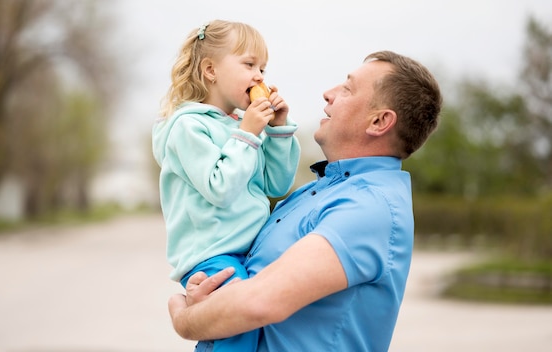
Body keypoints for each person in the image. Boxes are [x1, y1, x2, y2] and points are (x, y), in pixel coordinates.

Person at [168, 50, 443, 352]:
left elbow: (260, 302)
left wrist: (185, 316)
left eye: (347, 89)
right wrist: (209, 294)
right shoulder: (316, 192)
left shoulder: (369, 207)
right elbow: (243, 284)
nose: (328, 94)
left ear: (379, 121)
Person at [152, 20, 301, 352]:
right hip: (213, 253)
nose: (260, 75)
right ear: (210, 70)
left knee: (247, 331)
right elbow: (219, 188)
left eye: (262, 67)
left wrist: (277, 132)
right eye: (249, 64)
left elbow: (276, 184)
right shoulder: (188, 128)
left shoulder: (237, 127)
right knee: (238, 328)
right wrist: (247, 134)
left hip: (248, 250)